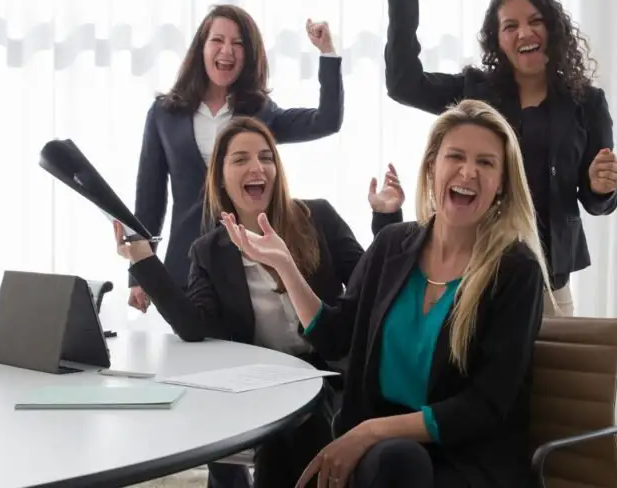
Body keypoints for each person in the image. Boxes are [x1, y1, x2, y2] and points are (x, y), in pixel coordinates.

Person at [220, 100, 551, 488]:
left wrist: (372, 433)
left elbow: (485, 406)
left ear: (501, 185)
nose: (468, 172)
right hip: (380, 445)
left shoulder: (515, 270)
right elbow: (335, 337)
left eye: (486, 163)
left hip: (463, 456)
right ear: (432, 168)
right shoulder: (394, 245)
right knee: (287, 435)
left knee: (396, 459)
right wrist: (286, 268)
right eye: (455, 156)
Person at [113, 117, 403, 488]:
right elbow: (194, 325)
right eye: (241, 159)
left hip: (328, 371)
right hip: (263, 379)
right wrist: (143, 261)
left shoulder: (318, 217)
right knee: (278, 432)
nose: (257, 167)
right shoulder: (208, 251)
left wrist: (386, 217)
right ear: (220, 177)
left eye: (266, 157)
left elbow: (373, 284)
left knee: (302, 421)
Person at [379, 0, 617, 316]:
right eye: (510, 26)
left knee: (551, 373)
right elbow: (404, 85)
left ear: (553, 30)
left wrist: (602, 187)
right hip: (475, 267)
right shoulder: (475, 91)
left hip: (549, 279)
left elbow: (596, 201)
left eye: (535, 21)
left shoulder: (586, 102)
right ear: (498, 40)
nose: (524, 33)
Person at [131, 4, 346, 315]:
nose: (227, 51)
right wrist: (139, 272)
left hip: (247, 267)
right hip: (184, 266)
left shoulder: (261, 112)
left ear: (250, 55)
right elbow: (149, 198)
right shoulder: (164, 114)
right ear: (201, 47)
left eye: (239, 43)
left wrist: (327, 52)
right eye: (217, 40)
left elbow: (327, 121)